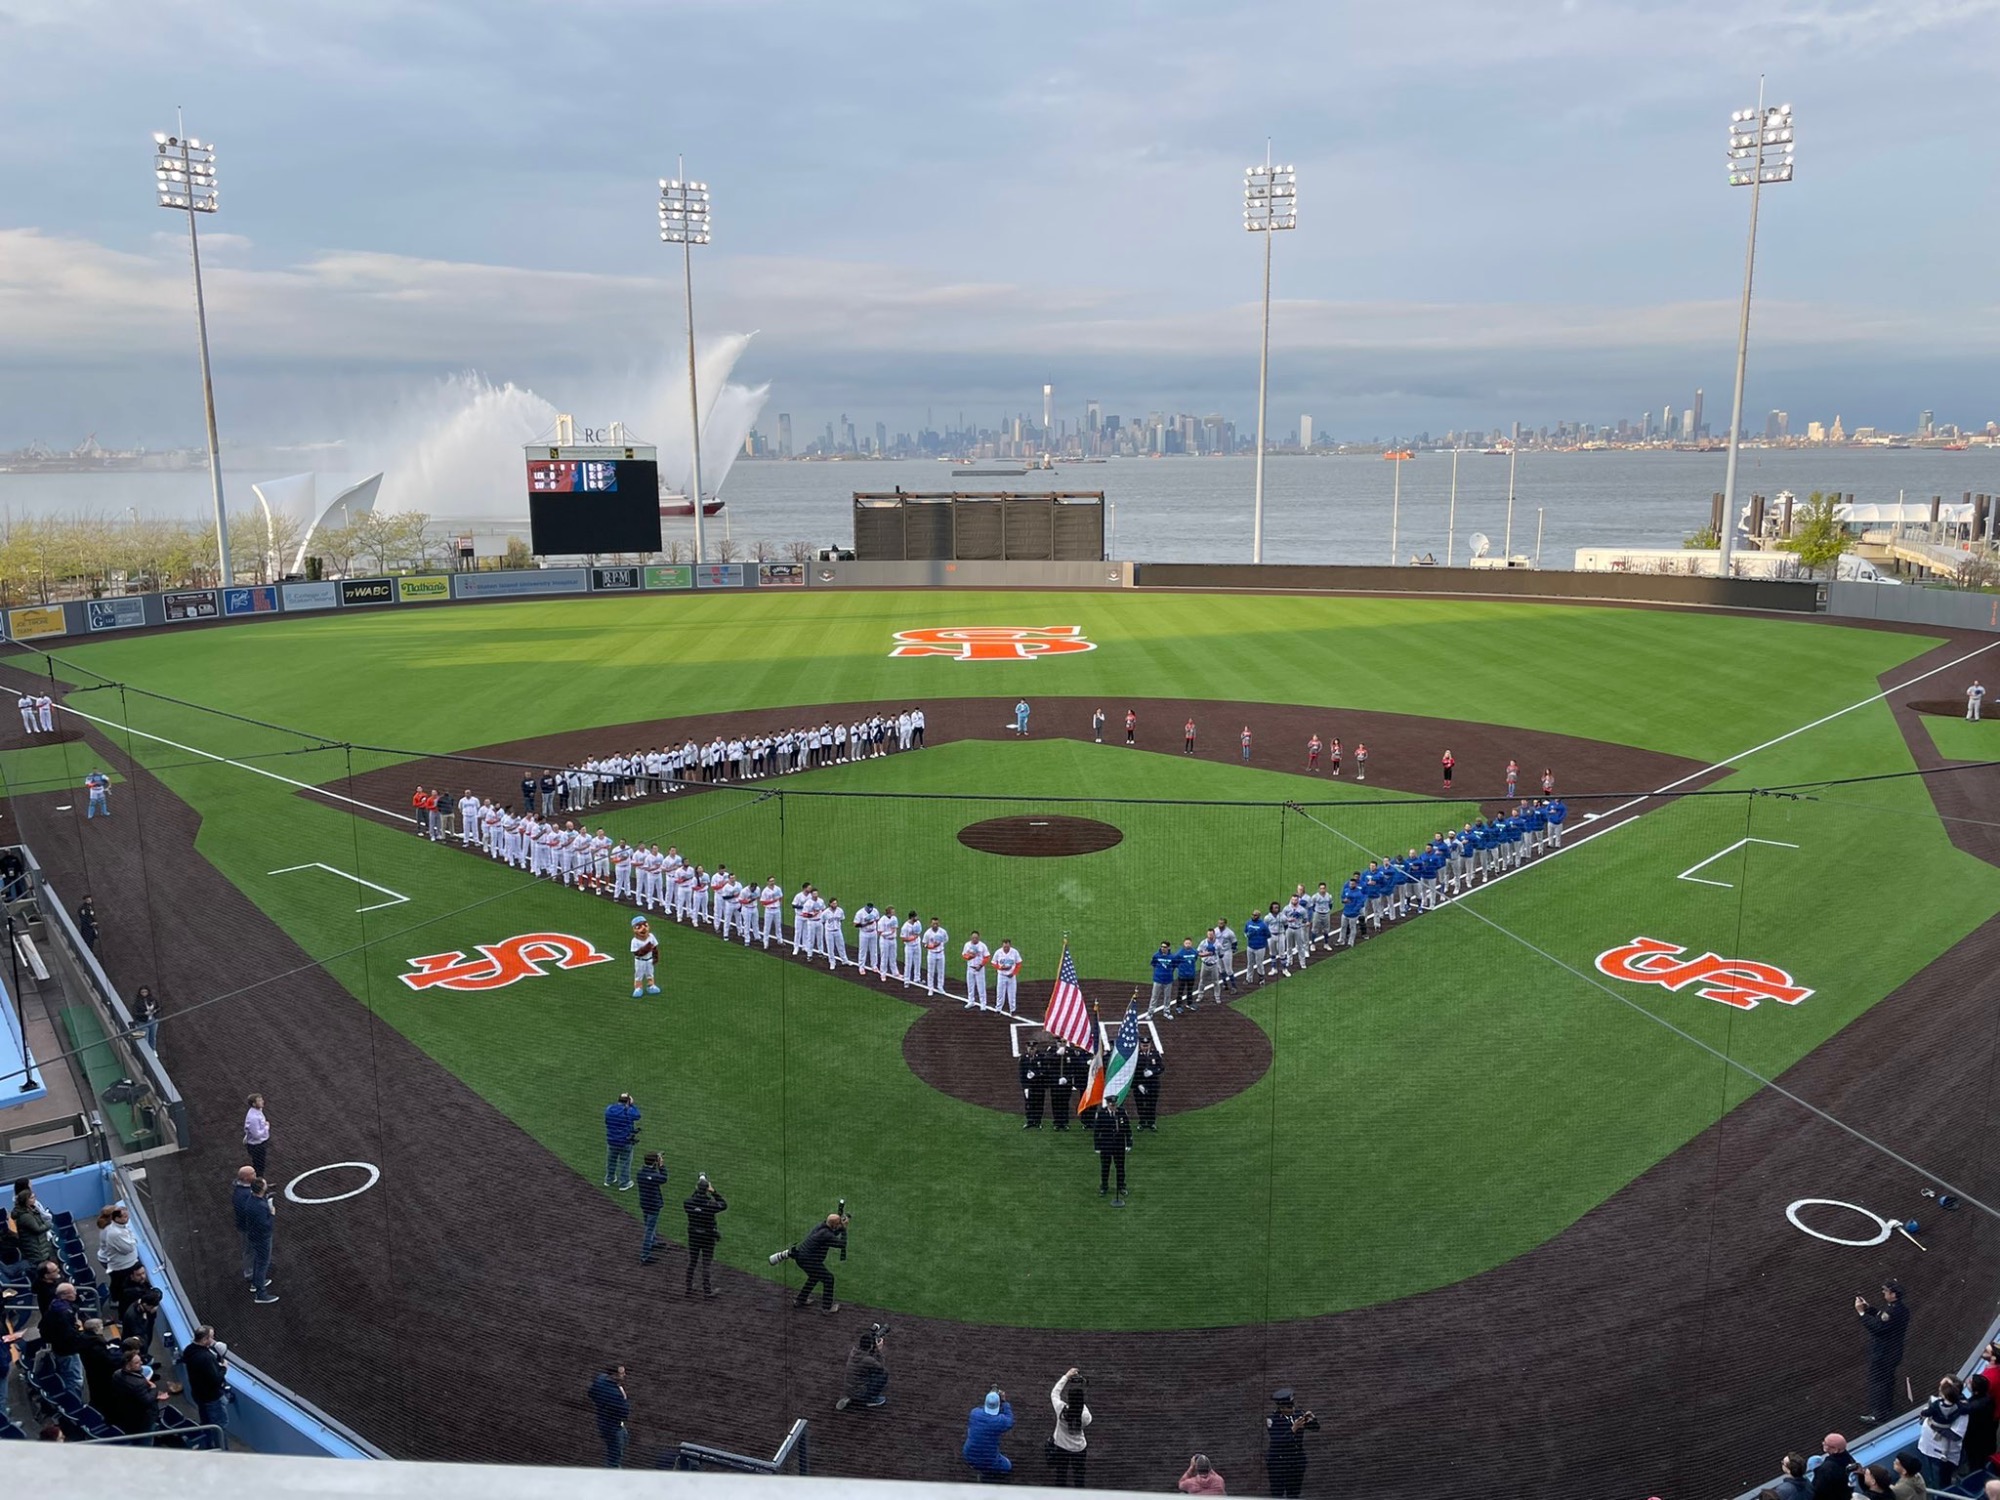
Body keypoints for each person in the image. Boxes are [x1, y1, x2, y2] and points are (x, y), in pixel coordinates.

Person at [772, 1211, 848, 1313]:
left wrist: (840, 1227)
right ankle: (827, 1308)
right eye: (838, 1224)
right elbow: (842, 1244)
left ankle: (800, 1300)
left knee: (815, 1277)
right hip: (810, 1261)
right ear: (834, 1225)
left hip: (802, 1257)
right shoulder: (826, 1234)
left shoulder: (821, 1227)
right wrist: (844, 1230)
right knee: (829, 1279)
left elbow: (832, 1233)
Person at [1859, 1281, 1910, 1423]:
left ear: (1893, 1295)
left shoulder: (1893, 1311)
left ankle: (1878, 1415)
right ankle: (1887, 1409)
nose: (1884, 1293)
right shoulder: (1901, 1309)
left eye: (1886, 1291)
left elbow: (1878, 1328)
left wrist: (1862, 1314)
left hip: (1883, 1354)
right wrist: (1869, 1309)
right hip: (1894, 1352)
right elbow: (1884, 1317)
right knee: (1887, 1380)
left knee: (1878, 1382)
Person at [1265, 1388, 1317, 1499]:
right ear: (1281, 1408)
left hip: (1296, 1462)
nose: (1292, 1409)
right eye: (1289, 1407)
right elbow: (1277, 1441)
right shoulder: (1273, 1420)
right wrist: (1293, 1429)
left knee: (1294, 1494)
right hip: (1279, 1463)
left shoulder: (1297, 1414)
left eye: (1292, 1406)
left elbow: (1315, 1428)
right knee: (1277, 1494)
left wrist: (1313, 1419)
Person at [1918, 1376, 1969, 1489]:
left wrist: (1935, 1426)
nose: (1940, 1388)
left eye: (1944, 1386)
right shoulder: (1936, 1402)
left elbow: (1955, 1435)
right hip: (1927, 1448)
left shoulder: (1961, 1411)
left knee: (1941, 1484)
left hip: (1942, 1456)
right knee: (1931, 1479)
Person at [682, 1174, 727, 1297]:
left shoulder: (688, 1202)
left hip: (693, 1236)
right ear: (707, 1189)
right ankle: (707, 1291)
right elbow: (723, 1204)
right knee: (706, 1263)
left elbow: (693, 1199)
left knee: (692, 1262)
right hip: (708, 1236)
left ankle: (688, 1289)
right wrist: (713, 1192)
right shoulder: (710, 1204)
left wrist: (699, 1187)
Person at [183, 1325, 230, 1439]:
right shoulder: (205, 1357)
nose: (213, 1340)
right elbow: (216, 1380)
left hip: (199, 1395)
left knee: (206, 1424)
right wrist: (224, 1368)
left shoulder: (189, 1350)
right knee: (219, 1426)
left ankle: (209, 1444)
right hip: (212, 1399)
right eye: (211, 1338)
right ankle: (221, 1452)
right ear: (204, 1340)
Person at [1047, 1367, 1091, 1487]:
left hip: (1061, 1446)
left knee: (1061, 1475)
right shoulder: (1085, 1417)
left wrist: (1066, 1376)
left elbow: (1054, 1393)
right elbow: (1082, 1409)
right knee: (1079, 1477)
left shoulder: (1061, 1410)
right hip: (1079, 1449)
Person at [95, 1203, 141, 1309]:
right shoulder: (110, 1231)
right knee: (119, 1281)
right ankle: (116, 1300)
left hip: (107, 1258)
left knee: (117, 1280)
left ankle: (115, 1298)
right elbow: (127, 1249)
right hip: (113, 1261)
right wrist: (132, 1240)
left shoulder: (110, 1227)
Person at [964, 1388, 1015, 1481]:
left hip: (968, 1454)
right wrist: (1004, 1402)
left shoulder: (974, 1413)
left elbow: (982, 1410)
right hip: (988, 1461)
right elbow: (1009, 1419)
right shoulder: (1000, 1421)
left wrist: (991, 1397)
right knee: (1007, 1466)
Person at [836, 1326, 889, 1411]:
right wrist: (879, 1351)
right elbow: (881, 1367)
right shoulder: (867, 1360)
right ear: (871, 1345)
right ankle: (870, 1399)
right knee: (884, 1374)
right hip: (860, 1391)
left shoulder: (854, 1352)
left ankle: (852, 1397)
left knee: (866, 1372)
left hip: (850, 1388)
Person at [588, 1364, 630, 1468]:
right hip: (613, 1427)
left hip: (604, 1421)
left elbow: (591, 1393)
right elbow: (624, 1413)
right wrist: (624, 1397)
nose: (624, 1375)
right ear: (614, 1375)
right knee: (615, 1456)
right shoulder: (615, 1395)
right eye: (622, 1373)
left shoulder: (600, 1380)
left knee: (623, 1440)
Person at [245, 1177, 278, 1303]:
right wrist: (272, 1214)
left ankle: (256, 1282)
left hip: (255, 1236)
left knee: (258, 1260)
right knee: (263, 1263)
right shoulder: (258, 1206)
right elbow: (266, 1225)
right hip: (262, 1237)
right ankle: (261, 1294)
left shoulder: (252, 1200)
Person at [1094, 1100, 1132, 1205]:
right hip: (1106, 1145)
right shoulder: (1102, 1113)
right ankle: (1104, 1186)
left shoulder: (1121, 1112)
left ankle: (1121, 1186)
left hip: (1119, 1145)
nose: (1113, 1107)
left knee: (1120, 1167)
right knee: (1105, 1167)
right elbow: (1097, 1130)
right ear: (1108, 1105)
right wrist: (1097, 1146)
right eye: (1111, 1105)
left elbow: (1127, 1129)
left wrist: (1129, 1143)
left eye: (1114, 1105)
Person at [636, 1153, 669, 1265]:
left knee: (649, 1225)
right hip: (653, 1204)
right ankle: (645, 1256)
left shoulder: (640, 1173)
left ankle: (653, 1242)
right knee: (649, 1229)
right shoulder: (654, 1176)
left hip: (644, 1203)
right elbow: (664, 1178)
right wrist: (661, 1166)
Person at [603, 1093, 641, 1191]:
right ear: (628, 1101)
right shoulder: (628, 1111)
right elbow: (637, 1115)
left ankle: (609, 1179)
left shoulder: (609, 1109)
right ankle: (624, 1183)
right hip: (625, 1141)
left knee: (611, 1161)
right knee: (625, 1162)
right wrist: (632, 1105)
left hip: (611, 1140)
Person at [1811, 1434, 1857, 1500]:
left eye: (1826, 1444)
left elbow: (1817, 1491)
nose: (1823, 1444)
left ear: (1835, 1449)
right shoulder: (1851, 1461)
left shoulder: (1826, 1469)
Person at [1134, 1040, 1164, 1129]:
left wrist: (1153, 1072)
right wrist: (1138, 1084)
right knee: (1140, 1104)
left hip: (1153, 1084)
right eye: (1143, 1045)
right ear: (1140, 1045)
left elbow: (1161, 1067)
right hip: (1140, 1085)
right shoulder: (1135, 1056)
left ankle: (1151, 1122)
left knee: (1152, 1104)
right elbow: (1132, 1072)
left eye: (1147, 1045)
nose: (1145, 1047)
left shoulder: (1155, 1054)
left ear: (1150, 1045)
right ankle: (1142, 1122)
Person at [630, 915, 661, 998]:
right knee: (639, 975)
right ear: (634, 929)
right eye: (639, 927)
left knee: (650, 973)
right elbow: (636, 953)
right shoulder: (634, 941)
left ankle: (651, 985)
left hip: (649, 960)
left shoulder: (651, 936)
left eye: (645, 925)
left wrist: (655, 957)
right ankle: (638, 988)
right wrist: (646, 949)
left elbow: (655, 947)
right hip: (640, 961)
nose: (643, 929)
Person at [1021, 1040, 1048, 1129]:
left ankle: (1038, 1121)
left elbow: (1045, 1070)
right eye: (1030, 1048)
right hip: (1029, 1086)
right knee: (1029, 1104)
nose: (1031, 1049)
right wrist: (1025, 1087)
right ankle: (1030, 1121)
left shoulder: (1041, 1057)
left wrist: (1036, 1074)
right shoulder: (1023, 1058)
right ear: (1027, 1048)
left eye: (1033, 1048)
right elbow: (1021, 1074)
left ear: (1036, 1048)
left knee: (1039, 1104)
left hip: (1039, 1085)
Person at [243, 1094, 270, 1175]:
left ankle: (260, 1183)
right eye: (259, 1101)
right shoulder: (253, 1118)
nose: (262, 1102)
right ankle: (258, 1185)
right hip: (257, 1146)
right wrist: (266, 1127)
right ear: (254, 1104)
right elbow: (256, 1135)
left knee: (260, 1165)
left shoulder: (257, 1111)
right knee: (259, 1166)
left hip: (257, 1144)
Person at [1149, 941, 1175, 1016]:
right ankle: (1150, 1012)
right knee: (1154, 997)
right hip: (1158, 980)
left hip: (1168, 980)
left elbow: (1173, 966)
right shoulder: (1156, 956)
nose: (1163, 948)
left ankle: (1166, 1011)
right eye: (1162, 947)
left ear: (1168, 948)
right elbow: (1153, 964)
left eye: (1165, 947)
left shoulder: (1172, 957)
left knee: (1167, 997)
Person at [132, 985, 161, 1054]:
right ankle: (146, 1052)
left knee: (153, 1036)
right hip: (143, 1022)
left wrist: (155, 1011)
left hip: (152, 1020)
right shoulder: (137, 1002)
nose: (144, 993)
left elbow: (158, 1007)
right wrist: (144, 1014)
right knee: (145, 1037)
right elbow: (135, 1013)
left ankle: (153, 1050)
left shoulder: (152, 1000)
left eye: (145, 992)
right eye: (142, 992)